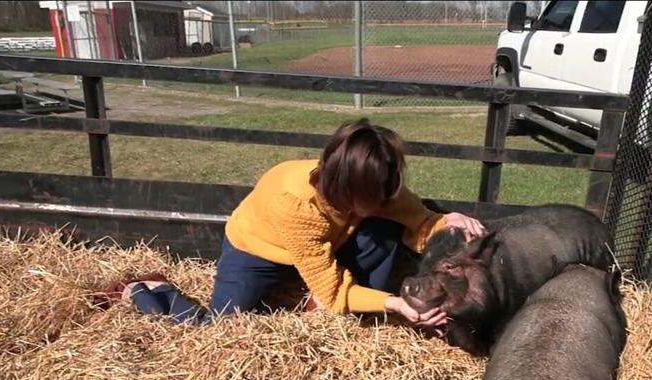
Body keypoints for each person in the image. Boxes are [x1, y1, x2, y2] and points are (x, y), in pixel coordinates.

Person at [111, 118, 485, 327]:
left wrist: (446, 221)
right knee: (220, 327)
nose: (387, 198)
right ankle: (148, 292)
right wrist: (393, 303)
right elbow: (332, 289)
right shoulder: (296, 202)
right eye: (376, 196)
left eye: (387, 190)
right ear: (346, 187)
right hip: (259, 249)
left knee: (387, 229)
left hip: (333, 240)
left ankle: (342, 314)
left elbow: (416, 220)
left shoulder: (375, 187)